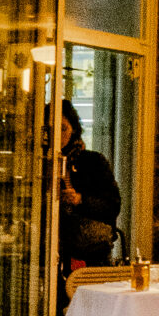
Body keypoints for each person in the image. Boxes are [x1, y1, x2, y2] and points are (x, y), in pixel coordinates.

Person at [57, 100, 121, 274]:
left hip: (90, 252)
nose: (58, 135)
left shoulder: (93, 162)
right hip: (51, 248)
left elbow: (112, 205)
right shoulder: (38, 163)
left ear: (73, 130)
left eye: (63, 129)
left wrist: (80, 200)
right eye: (52, 129)